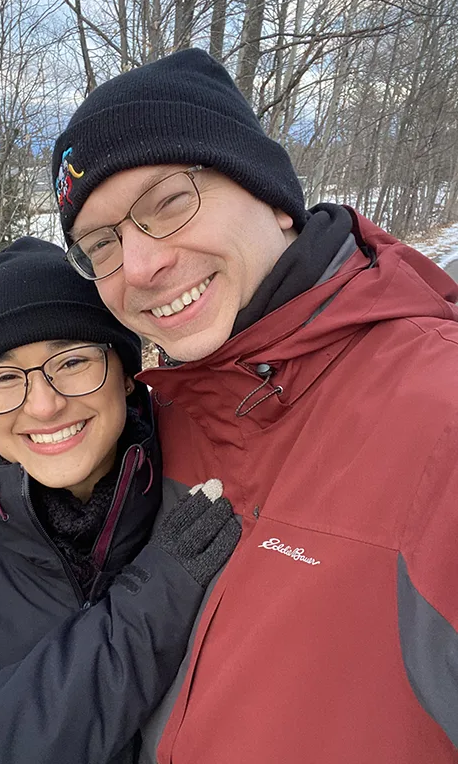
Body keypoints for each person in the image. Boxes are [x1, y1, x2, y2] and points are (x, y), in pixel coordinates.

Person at [52, 48, 458, 762]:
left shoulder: (440, 417)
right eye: (102, 243)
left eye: (168, 202)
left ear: (270, 193)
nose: (141, 266)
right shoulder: (165, 417)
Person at [0, 237, 240, 764]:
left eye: (73, 361)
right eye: (3, 377)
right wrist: (152, 604)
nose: (43, 404)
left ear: (128, 375)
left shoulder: (198, 499)